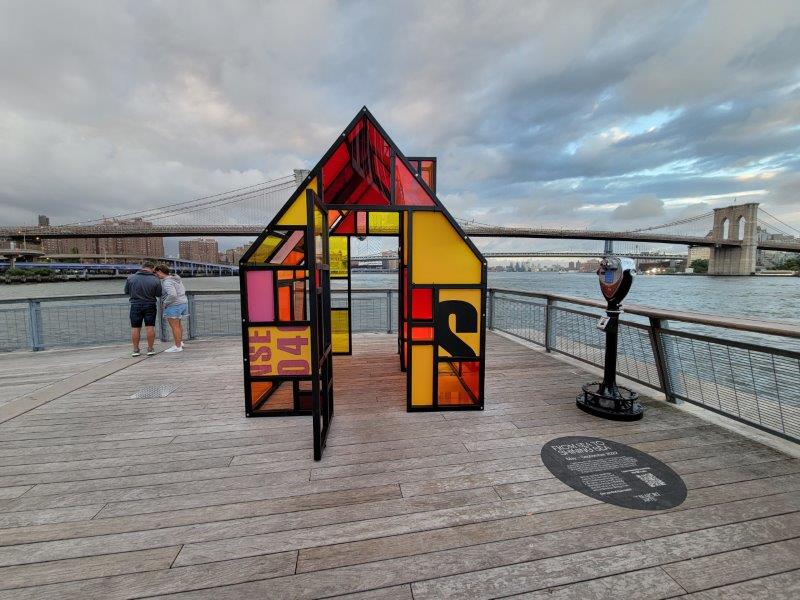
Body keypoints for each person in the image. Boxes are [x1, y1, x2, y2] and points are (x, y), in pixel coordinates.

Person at [124, 261, 162, 357]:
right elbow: (158, 294)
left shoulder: (131, 278)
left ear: (142, 267)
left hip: (135, 305)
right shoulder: (156, 279)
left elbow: (126, 291)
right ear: (152, 268)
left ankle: (136, 350)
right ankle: (150, 348)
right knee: (150, 327)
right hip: (150, 305)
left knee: (135, 328)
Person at [154, 264, 188, 353]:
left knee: (174, 327)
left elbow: (172, 294)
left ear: (160, 271)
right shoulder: (176, 279)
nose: (156, 275)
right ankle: (180, 342)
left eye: (156, 273)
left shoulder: (167, 282)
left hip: (174, 305)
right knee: (179, 325)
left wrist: (165, 303)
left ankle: (177, 346)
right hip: (182, 303)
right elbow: (182, 290)